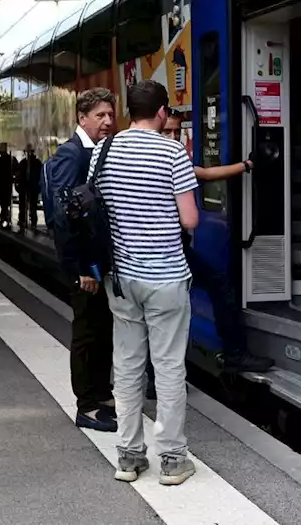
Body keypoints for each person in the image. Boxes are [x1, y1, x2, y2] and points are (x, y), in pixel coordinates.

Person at [90, 80, 199, 486]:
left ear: (127, 114)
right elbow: (189, 220)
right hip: (166, 277)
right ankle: (172, 459)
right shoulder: (173, 151)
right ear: (162, 113)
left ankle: (129, 457)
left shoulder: (104, 151)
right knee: (168, 367)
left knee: (128, 365)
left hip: (121, 278)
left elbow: (98, 207)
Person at [161, 114, 272, 374]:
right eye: (167, 131)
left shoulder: (172, 160)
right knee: (214, 285)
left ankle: (155, 379)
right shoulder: (167, 161)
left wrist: (247, 165)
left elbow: (207, 173)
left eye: (177, 132)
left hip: (171, 249)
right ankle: (234, 353)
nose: (173, 137)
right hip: (167, 250)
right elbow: (191, 218)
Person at [42, 87, 118, 433]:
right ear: (82, 118)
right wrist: (82, 267)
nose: (107, 121)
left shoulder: (93, 152)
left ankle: (102, 396)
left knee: (101, 329)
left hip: (96, 263)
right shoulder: (72, 155)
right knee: (87, 333)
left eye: (110, 115)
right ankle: (86, 405)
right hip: (84, 266)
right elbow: (65, 215)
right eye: (100, 115)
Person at [16, 144, 42, 231]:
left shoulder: (33, 163)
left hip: (30, 187)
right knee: (28, 206)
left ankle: (28, 221)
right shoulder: (25, 163)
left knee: (30, 206)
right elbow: (19, 175)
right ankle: (26, 221)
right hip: (27, 187)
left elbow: (19, 175)